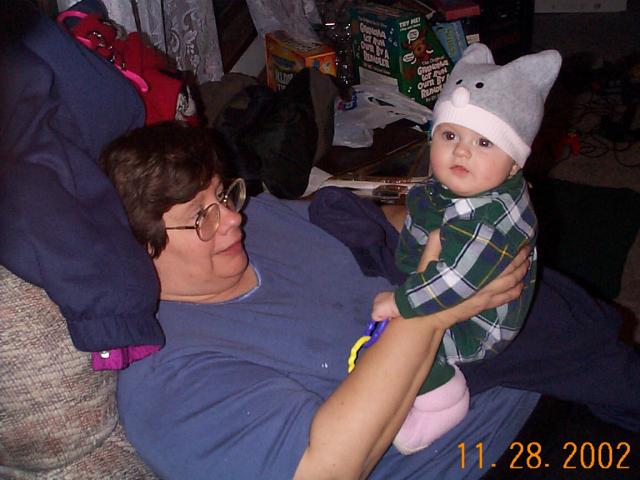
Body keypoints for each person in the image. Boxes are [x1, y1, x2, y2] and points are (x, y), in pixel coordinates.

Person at [101, 121, 537, 479]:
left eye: (222, 194)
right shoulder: (167, 384)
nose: (232, 218)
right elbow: (324, 469)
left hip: (510, 348)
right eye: (202, 216)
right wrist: (431, 306)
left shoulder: (258, 221)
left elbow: (371, 226)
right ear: (139, 250)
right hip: (487, 449)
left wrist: (460, 223)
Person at [369, 43, 562, 454]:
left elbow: (455, 280)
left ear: (516, 163)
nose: (461, 151)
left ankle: (444, 400)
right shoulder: (472, 184)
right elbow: (425, 213)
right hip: (454, 270)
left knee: (401, 347)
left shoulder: (485, 221)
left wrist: (402, 303)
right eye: (450, 135)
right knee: (426, 201)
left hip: (480, 325)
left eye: (485, 143)